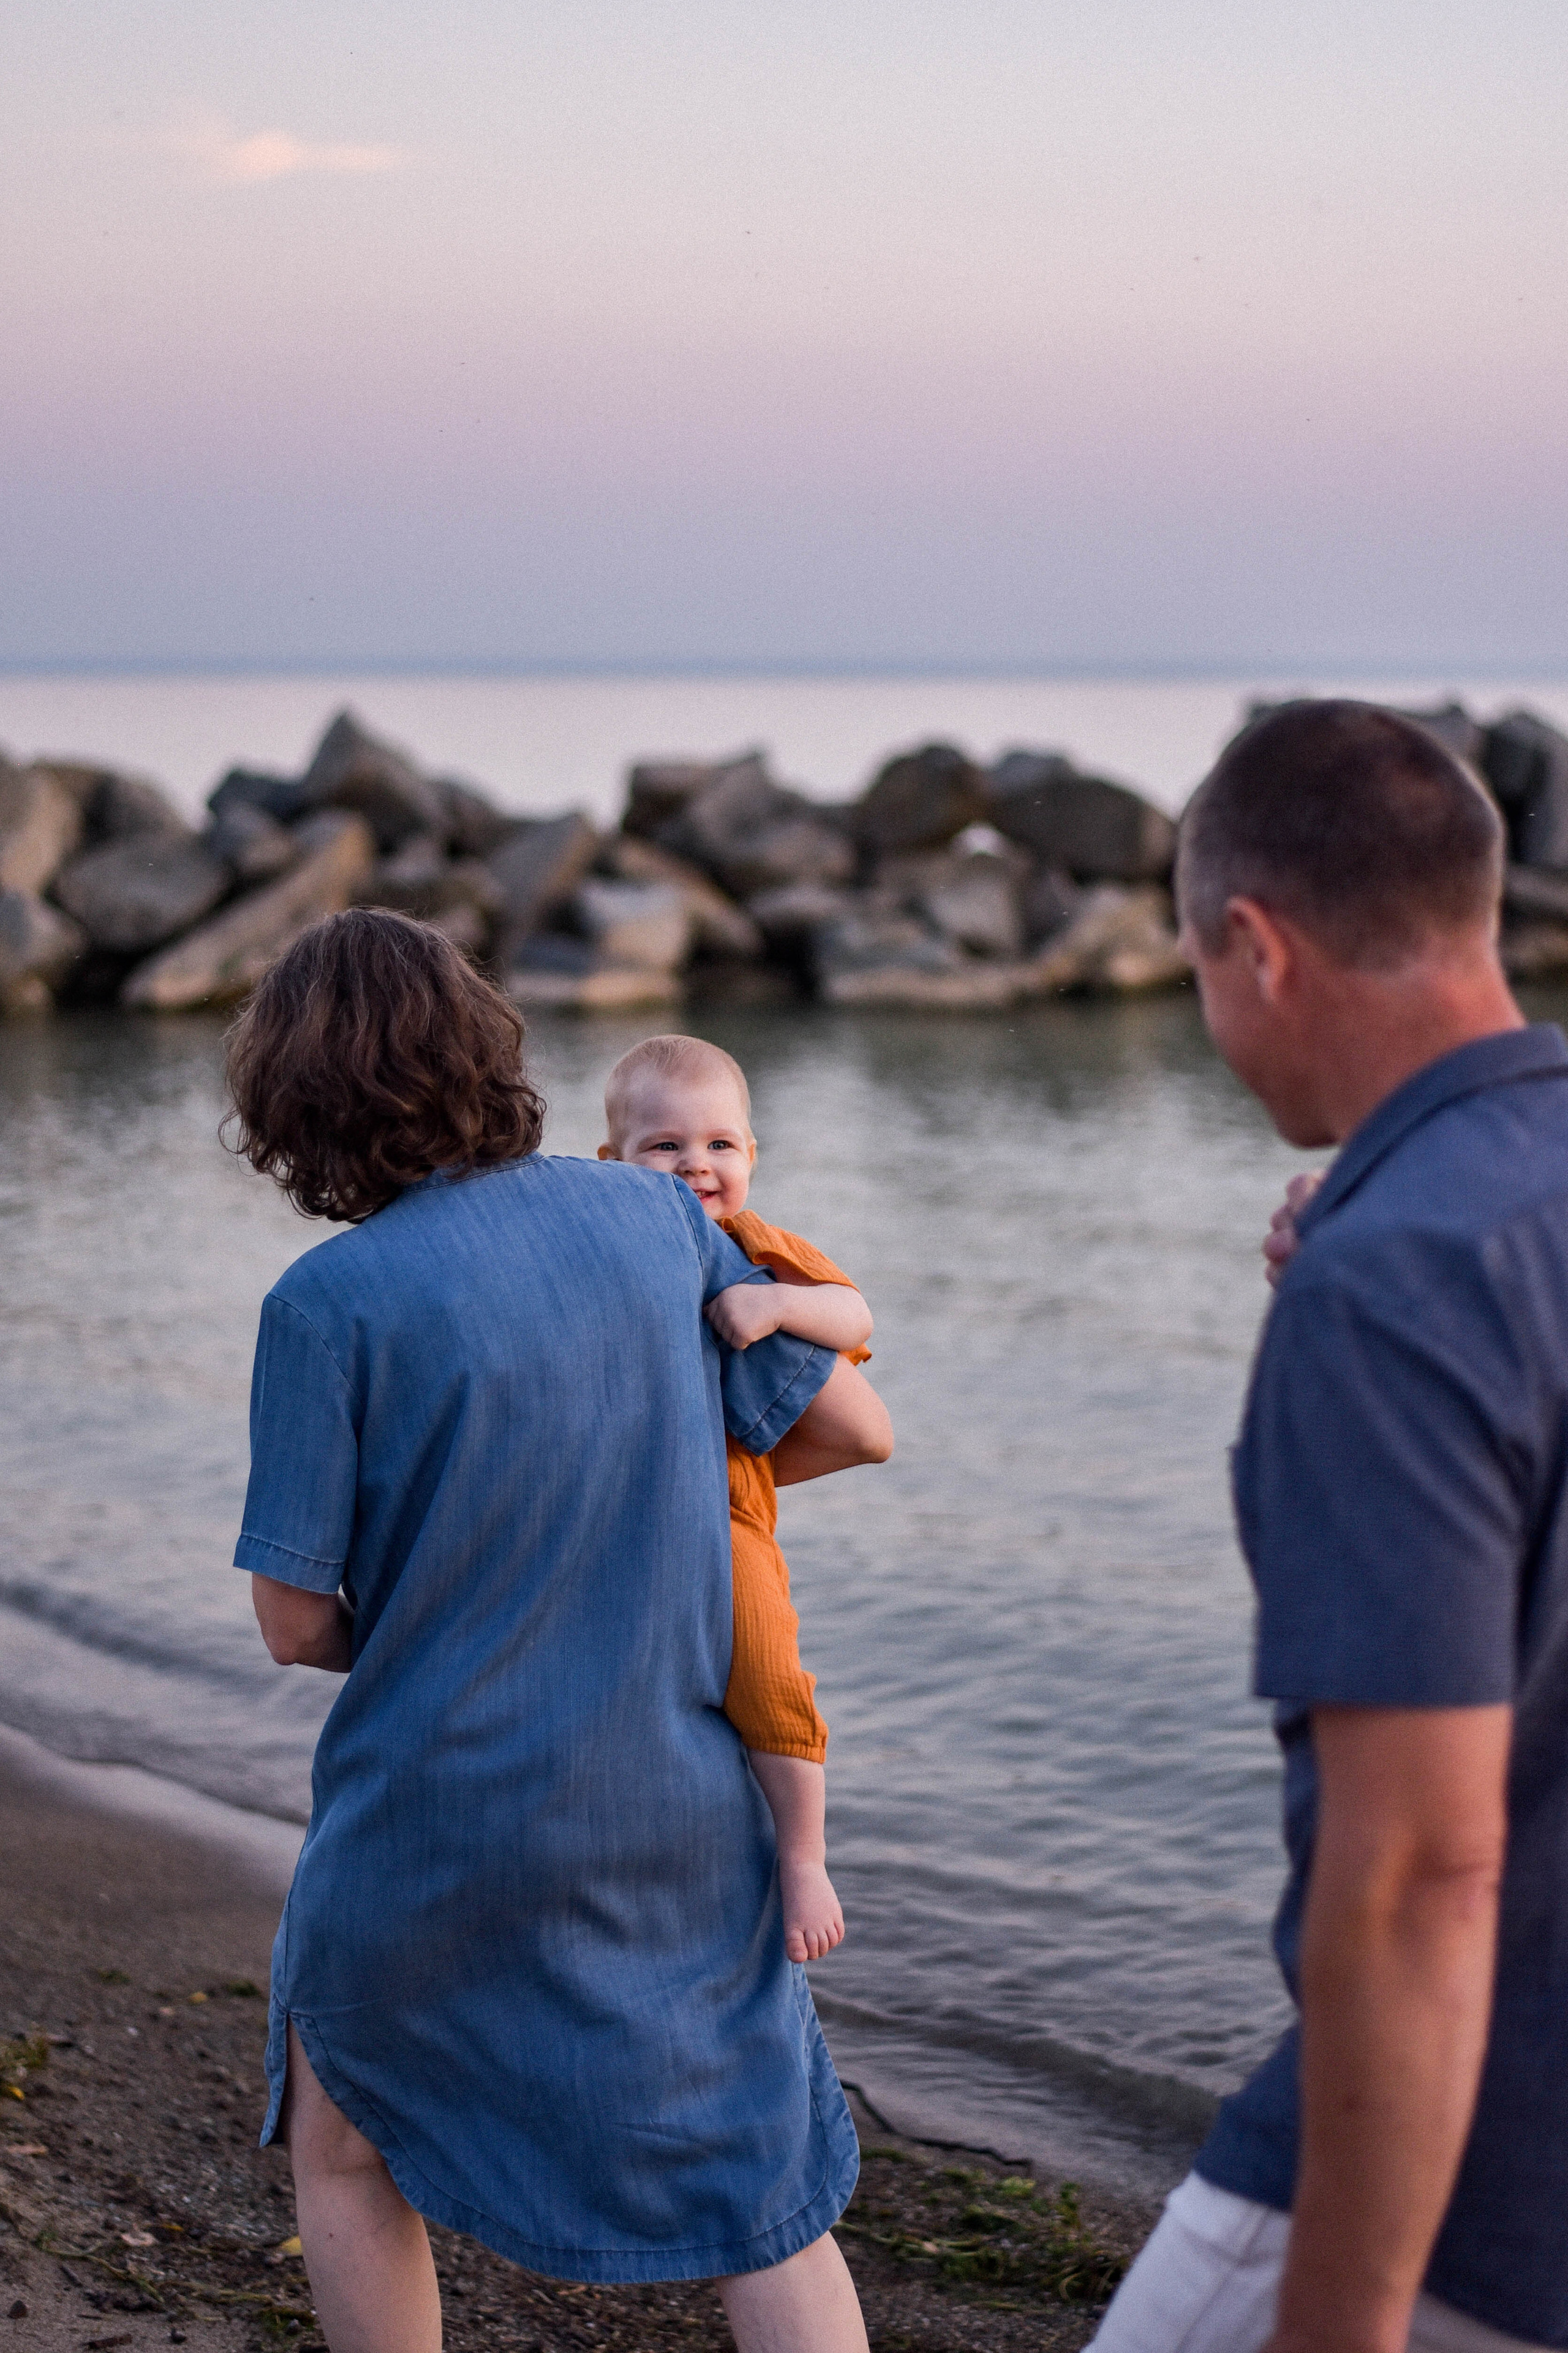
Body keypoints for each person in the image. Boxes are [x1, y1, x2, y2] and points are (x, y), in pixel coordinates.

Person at [225, 909, 893, 2353]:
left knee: (347, 2142)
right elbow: (843, 1424)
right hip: (672, 1790)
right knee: (764, 2185)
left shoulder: (322, 1302)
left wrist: (455, 1601)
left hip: (436, 1812)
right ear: (485, 1049)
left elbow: (293, 1624)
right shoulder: (661, 1219)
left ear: (297, 1103)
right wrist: (650, 1535)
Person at [1090, 700, 1568, 2353]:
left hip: (1464, 2187)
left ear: (1254, 944)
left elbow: (1428, 1866)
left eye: (1201, 974)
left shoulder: (1398, 1280)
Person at [597, 1033, 880, 1966]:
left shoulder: (756, 1249)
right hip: (625, 1506)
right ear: (613, 1165)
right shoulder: (609, 1252)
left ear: (753, 1156)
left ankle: (803, 1855)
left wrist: (777, 1307)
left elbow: (856, 1317)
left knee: (766, 1672)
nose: (697, 1165)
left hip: (730, 1516)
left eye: (721, 1145)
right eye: (666, 1146)